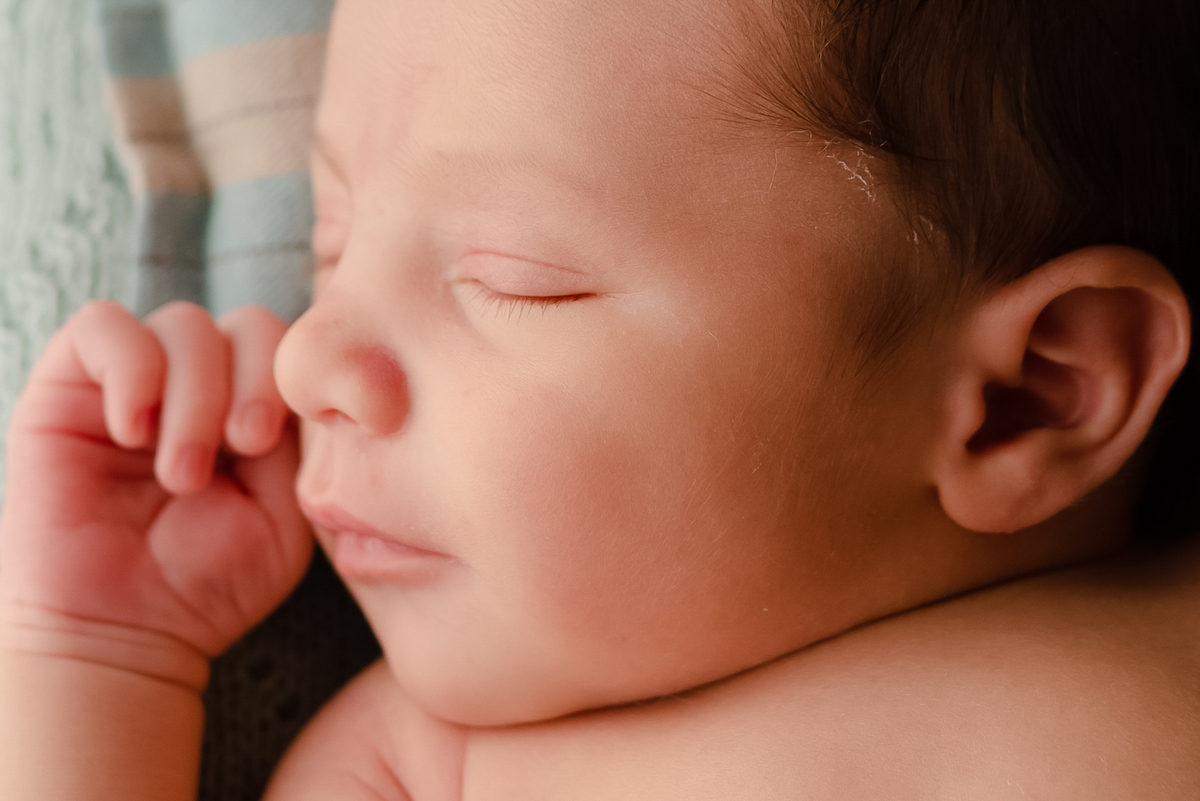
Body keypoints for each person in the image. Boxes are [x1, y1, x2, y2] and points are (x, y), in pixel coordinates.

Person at [2, 0, 1199, 797]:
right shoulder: (427, 764)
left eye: (513, 278)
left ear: (1031, 397)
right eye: (330, 234)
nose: (306, 357)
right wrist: (94, 651)